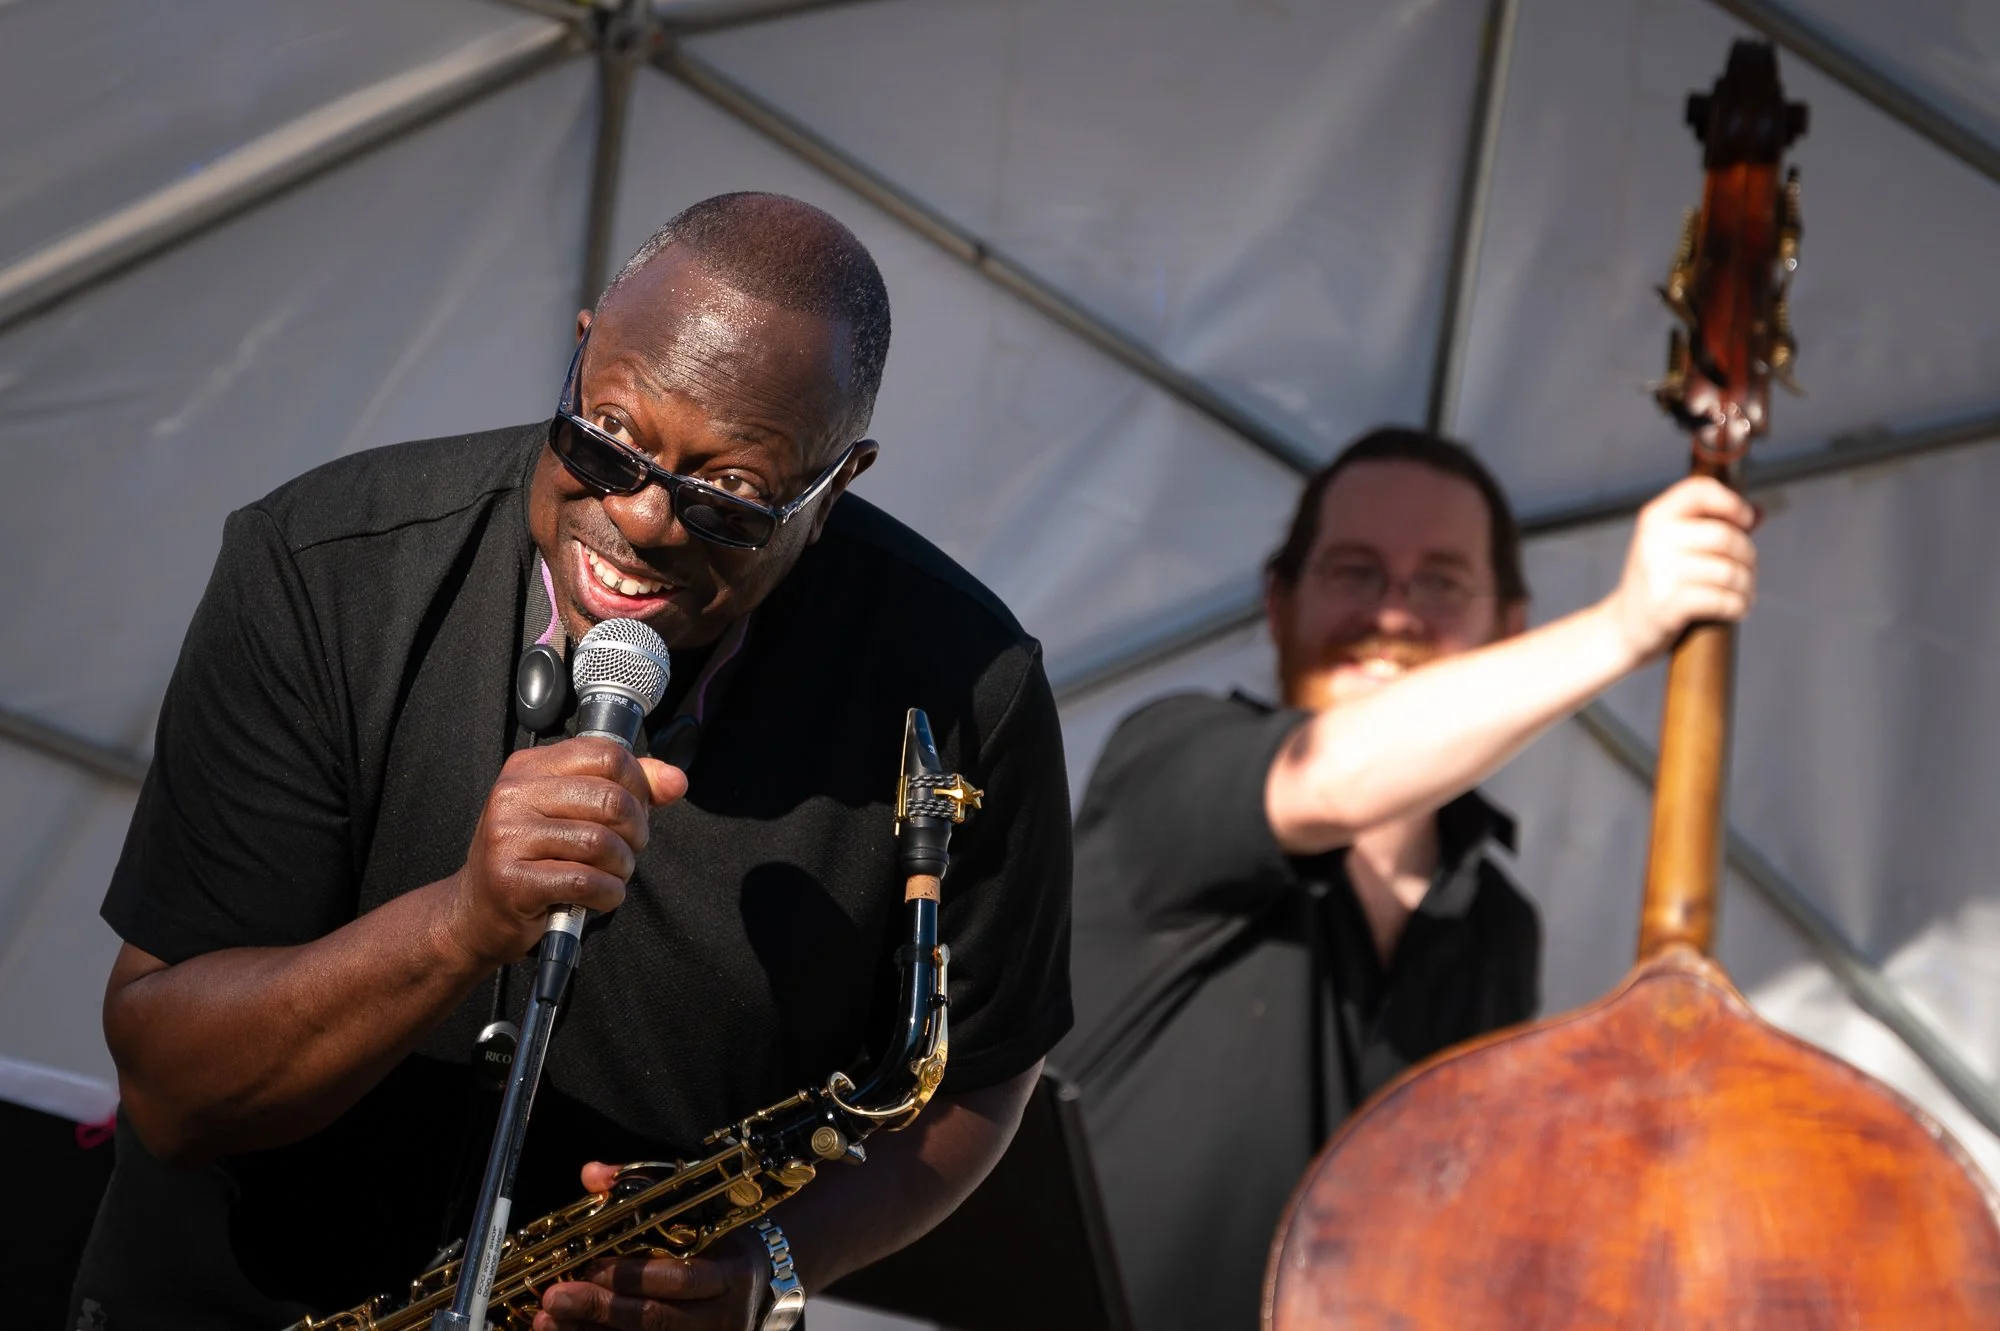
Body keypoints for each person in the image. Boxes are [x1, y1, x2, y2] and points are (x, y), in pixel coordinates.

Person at [71, 193, 1073, 1331]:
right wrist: (457, 923)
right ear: (581, 345)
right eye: (608, 434)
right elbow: (169, 1087)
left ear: (836, 482)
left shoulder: (964, 685)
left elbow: (974, 1073)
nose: (643, 516)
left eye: (732, 495)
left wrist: (772, 1266)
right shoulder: (319, 570)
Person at [1055, 427, 1759, 1331]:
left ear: (1508, 625)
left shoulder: (1502, 924)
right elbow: (1322, 776)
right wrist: (1625, 625)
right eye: (1353, 570)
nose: (1392, 611)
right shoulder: (1166, 754)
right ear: (1278, 601)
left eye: (1439, 580)